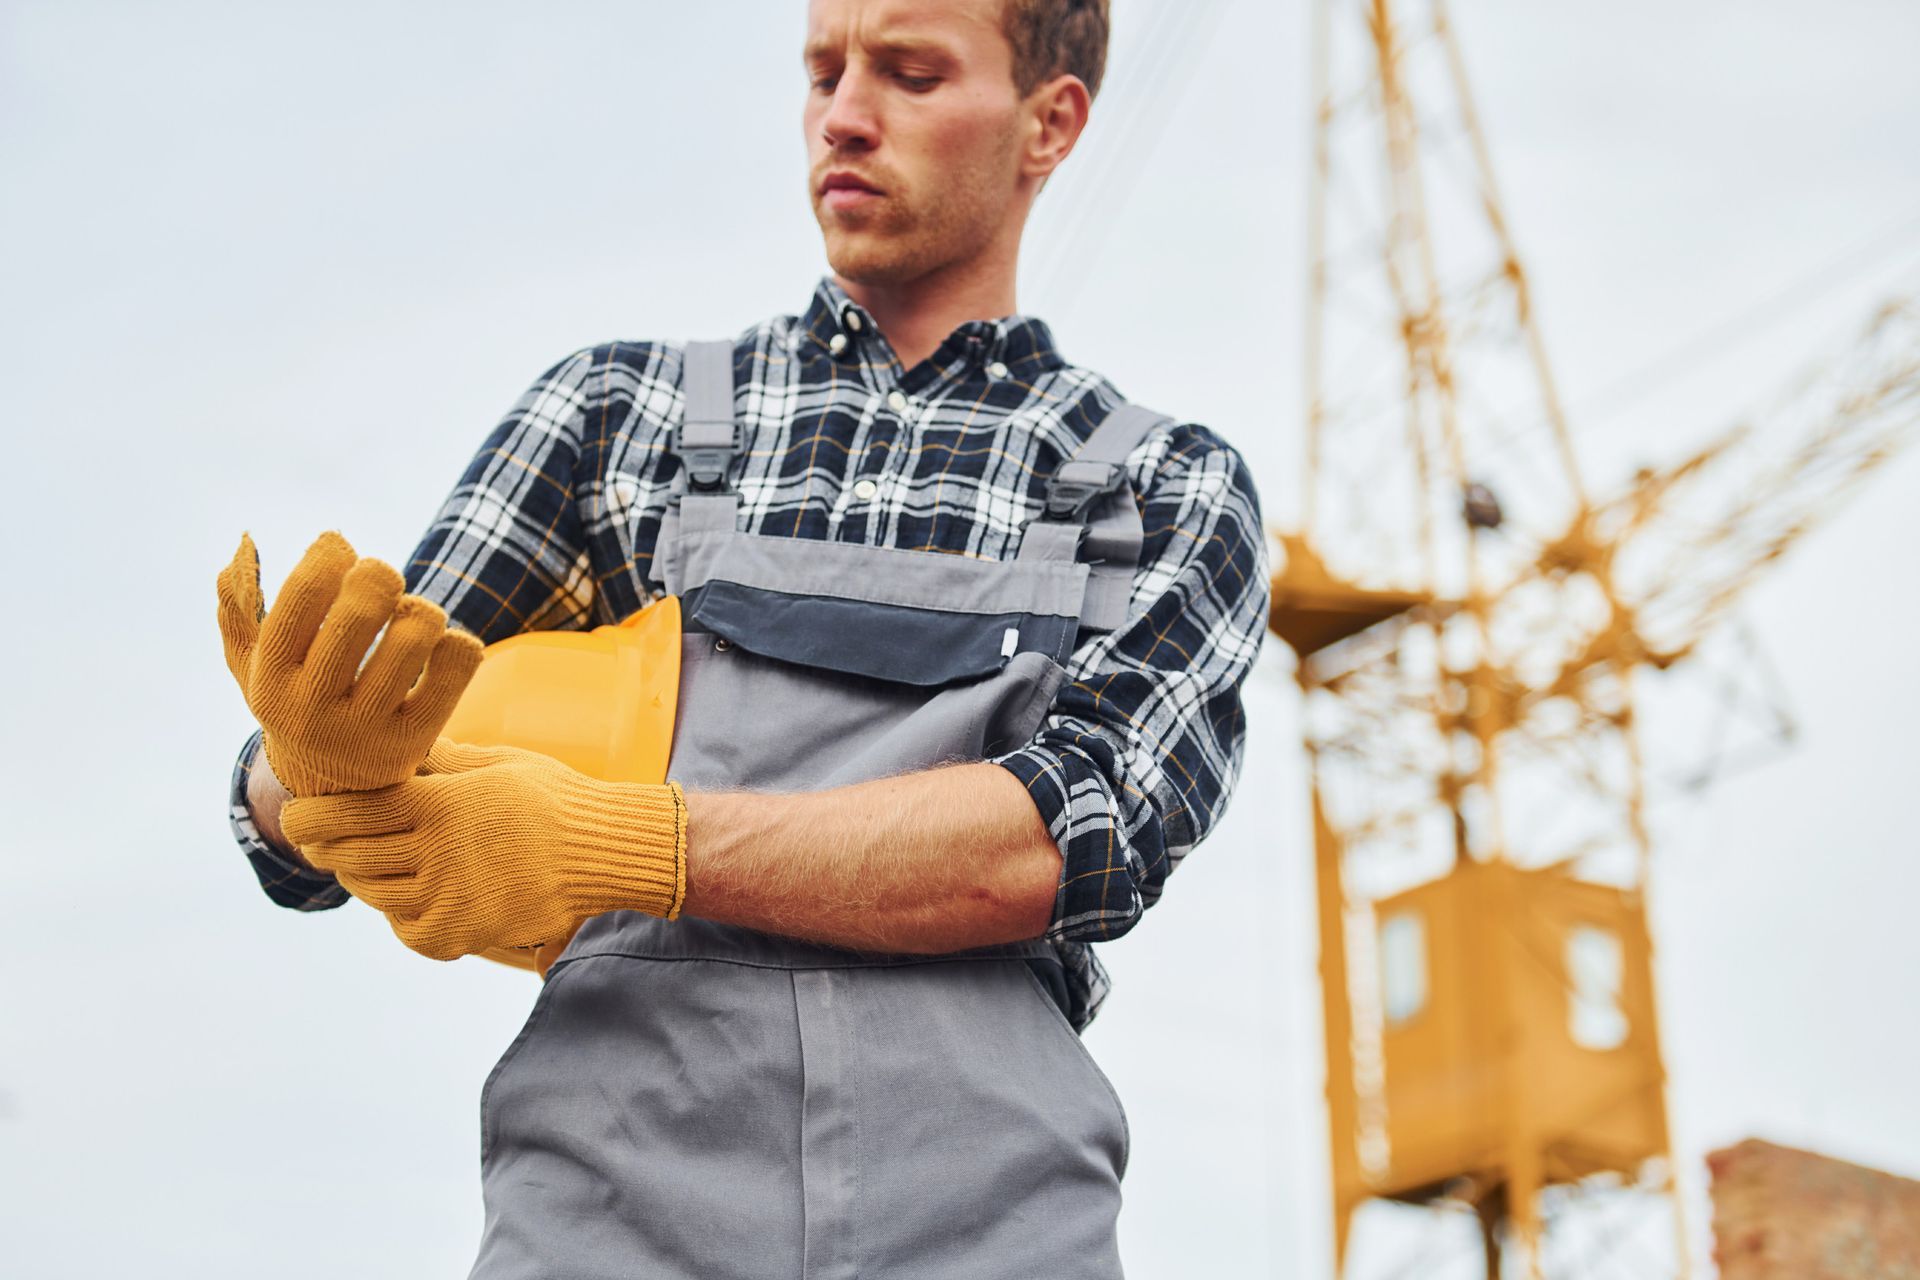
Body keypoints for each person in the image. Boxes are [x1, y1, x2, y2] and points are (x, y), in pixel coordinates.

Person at [219, 0, 1269, 1275]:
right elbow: (319, 800)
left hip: (989, 1232)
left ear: (1052, 121)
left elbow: (1060, 843)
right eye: (823, 70)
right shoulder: (617, 419)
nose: (845, 112)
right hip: (608, 1224)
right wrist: (314, 772)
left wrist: (609, 840)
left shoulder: (1159, 488)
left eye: (913, 72)